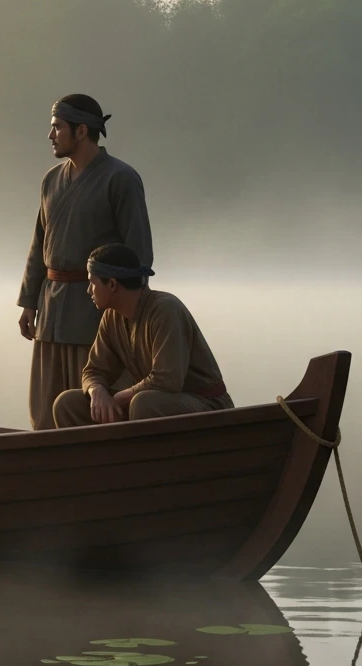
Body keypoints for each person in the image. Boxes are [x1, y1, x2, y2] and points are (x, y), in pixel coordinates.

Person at [17, 94, 153, 429]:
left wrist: (133, 316)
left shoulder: (120, 179)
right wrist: (29, 302)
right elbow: (39, 244)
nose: (50, 135)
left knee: (96, 405)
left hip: (97, 314)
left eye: (56, 127)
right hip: (51, 311)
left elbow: (139, 253)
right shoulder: (51, 180)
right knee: (46, 410)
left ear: (81, 131)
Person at [52, 243, 234, 427]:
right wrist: (96, 390)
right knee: (67, 403)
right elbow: (94, 371)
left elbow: (167, 381)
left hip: (205, 405)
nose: (88, 290)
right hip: (148, 405)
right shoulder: (111, 316)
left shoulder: (166, 310)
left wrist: (117, 398)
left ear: (113, 284)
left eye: (92, 283)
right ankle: (103, 455)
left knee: (144, 403)